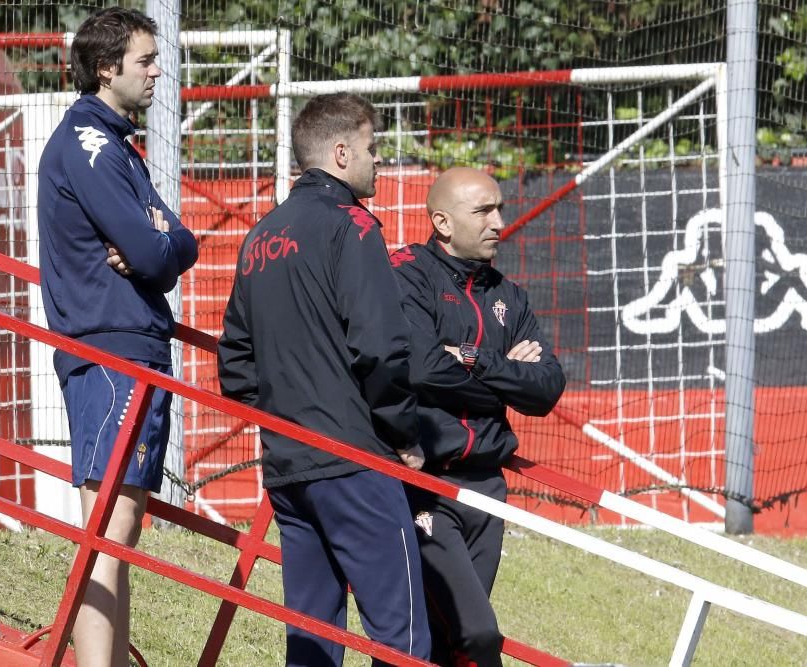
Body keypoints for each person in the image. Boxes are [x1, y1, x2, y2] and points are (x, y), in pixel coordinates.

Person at [217, 92, 431, 666]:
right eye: (372, 147)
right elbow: (382, 349)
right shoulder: (353, 226)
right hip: (354, 459)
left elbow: (235, 366)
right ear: (340, 152)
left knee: (311, 639)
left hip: (288, 464)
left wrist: (294, 405)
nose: (379, 160)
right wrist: (405, 433)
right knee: (402, 635)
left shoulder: (259, 235)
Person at [36, 8, 198, 667]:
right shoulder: (88, 144)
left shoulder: (114, 145)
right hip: (108, 349)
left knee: (122, 523)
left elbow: (177, 241)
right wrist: (158, 243)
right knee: (109, 522)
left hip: (131, 346)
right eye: (144, 60)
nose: (158, 70)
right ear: (107, 69)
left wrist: (163, 241)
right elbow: (155, 253)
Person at [390, 167, 566, 667]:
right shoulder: (408, 273)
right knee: (477, 637)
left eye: (500, 208)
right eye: (483, 211)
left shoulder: (508, 294)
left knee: (448, 643)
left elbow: (547, 388)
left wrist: (476, 358)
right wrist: (509, 376)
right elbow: (421, 368)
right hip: (425, 484)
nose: (499, 222)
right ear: (442, 222)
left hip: (487, 488)